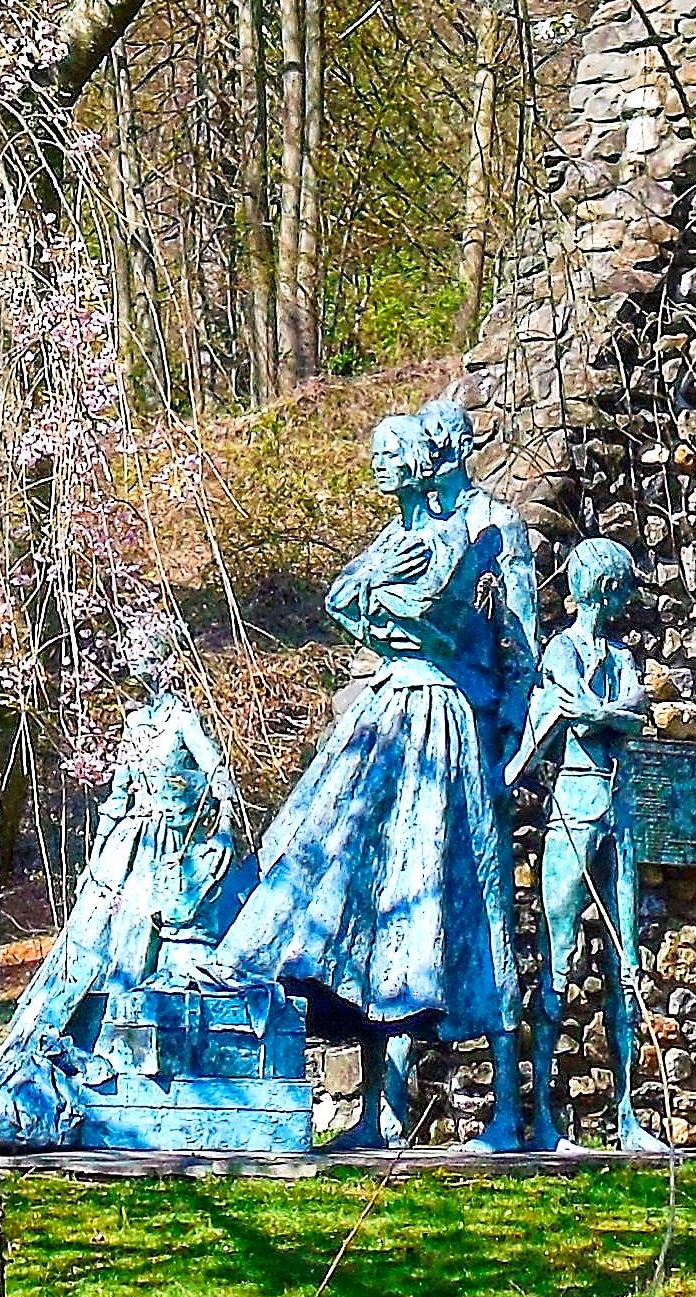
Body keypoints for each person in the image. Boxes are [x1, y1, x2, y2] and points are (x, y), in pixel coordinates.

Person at [217, 394, 540, 1147]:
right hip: (387, 714)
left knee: (432, 897)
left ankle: (485, 1107)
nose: (423, 461)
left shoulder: (488, 529)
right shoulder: (403, 533)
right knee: (357, 886)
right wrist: (372, 593)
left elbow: (507, 645)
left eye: (433, 445)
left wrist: (511, 748)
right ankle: (368, 1105)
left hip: (447, 718)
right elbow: (345, 601)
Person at [0, 613, 245, 1080]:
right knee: (94, 928)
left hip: (166, 839)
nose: (140, 663)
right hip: (128, 840)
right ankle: (66, 1033)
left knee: (138, 934)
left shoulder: (182, 720)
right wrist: (98, 849)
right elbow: (119, 790)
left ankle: (122, 1041)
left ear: (168, 661)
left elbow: (217, 771)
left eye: (149, 653)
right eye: (136, 654)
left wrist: (222, 827)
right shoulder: (135, 724)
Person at [508, 535, 669, 1153]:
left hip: (619, 815)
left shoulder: (622, 656)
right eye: (623, 588)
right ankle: (544, 1118)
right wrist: (608, 711)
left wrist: (604, 710)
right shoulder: (561, 650)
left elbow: (633, 714)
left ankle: (627, 1116)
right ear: (605, 590)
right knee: (556, 958)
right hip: (572, 811)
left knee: (626, 964)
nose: (627, 599)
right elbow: (577, 714)